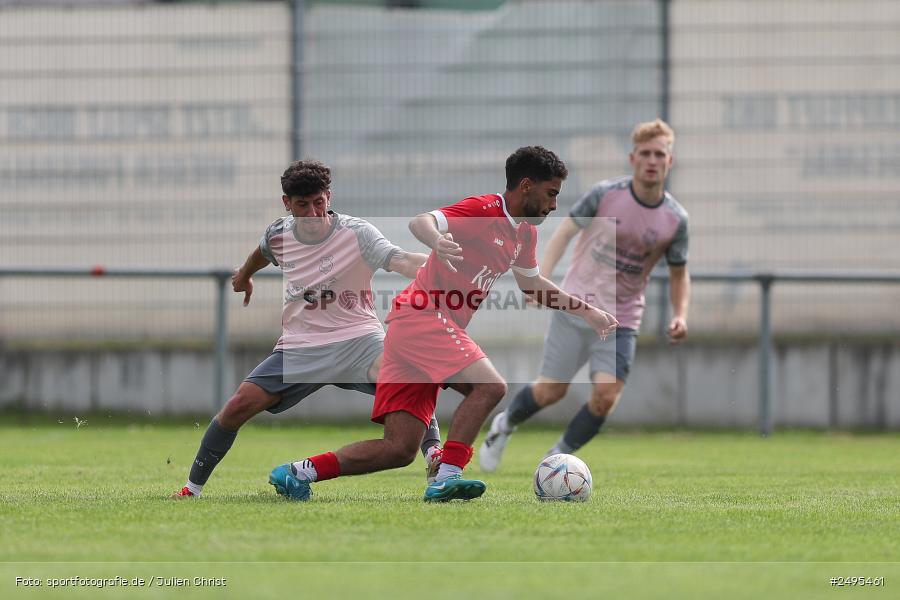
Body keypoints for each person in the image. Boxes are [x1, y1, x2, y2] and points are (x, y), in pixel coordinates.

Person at [268, 146, 618, 503]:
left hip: (418, 328)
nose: (554, 205)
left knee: (399, 448)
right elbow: (421, 221)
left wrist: (587, 312)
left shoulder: (524, 233)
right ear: (526, 185)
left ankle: (298, 472)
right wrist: (438, 241)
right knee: (490, 387)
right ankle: (447, 476)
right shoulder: (484, 210)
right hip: (422, 316)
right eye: (552, 193)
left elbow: (532, 285)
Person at [171, 159, 439, 499]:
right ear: (287, 204)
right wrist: (244, 276)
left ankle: (436, 459)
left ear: (328, 196)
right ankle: (191, 489)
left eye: (319, 202)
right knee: (237, 407)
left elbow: (399, 258)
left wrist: (438, 268)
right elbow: (262, 252)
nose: (312, 213)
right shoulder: (279, 233)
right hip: (300, 347)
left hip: (359, 339)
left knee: (409, 377)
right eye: (302, 205)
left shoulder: (357, 233)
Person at [478, 119, 690, 471]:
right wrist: (539, 278)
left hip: (622, 319)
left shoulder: (676, 219)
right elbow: (563, 234)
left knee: (605, 398)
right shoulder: (605, 195)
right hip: (577, 306)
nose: (652, 160)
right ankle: (504, 425)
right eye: (645, 154)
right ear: (632, 158)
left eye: (660, 154)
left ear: (670, 162)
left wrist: (680, 314)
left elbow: (680, 273)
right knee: (551, 391)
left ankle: (556, 459)